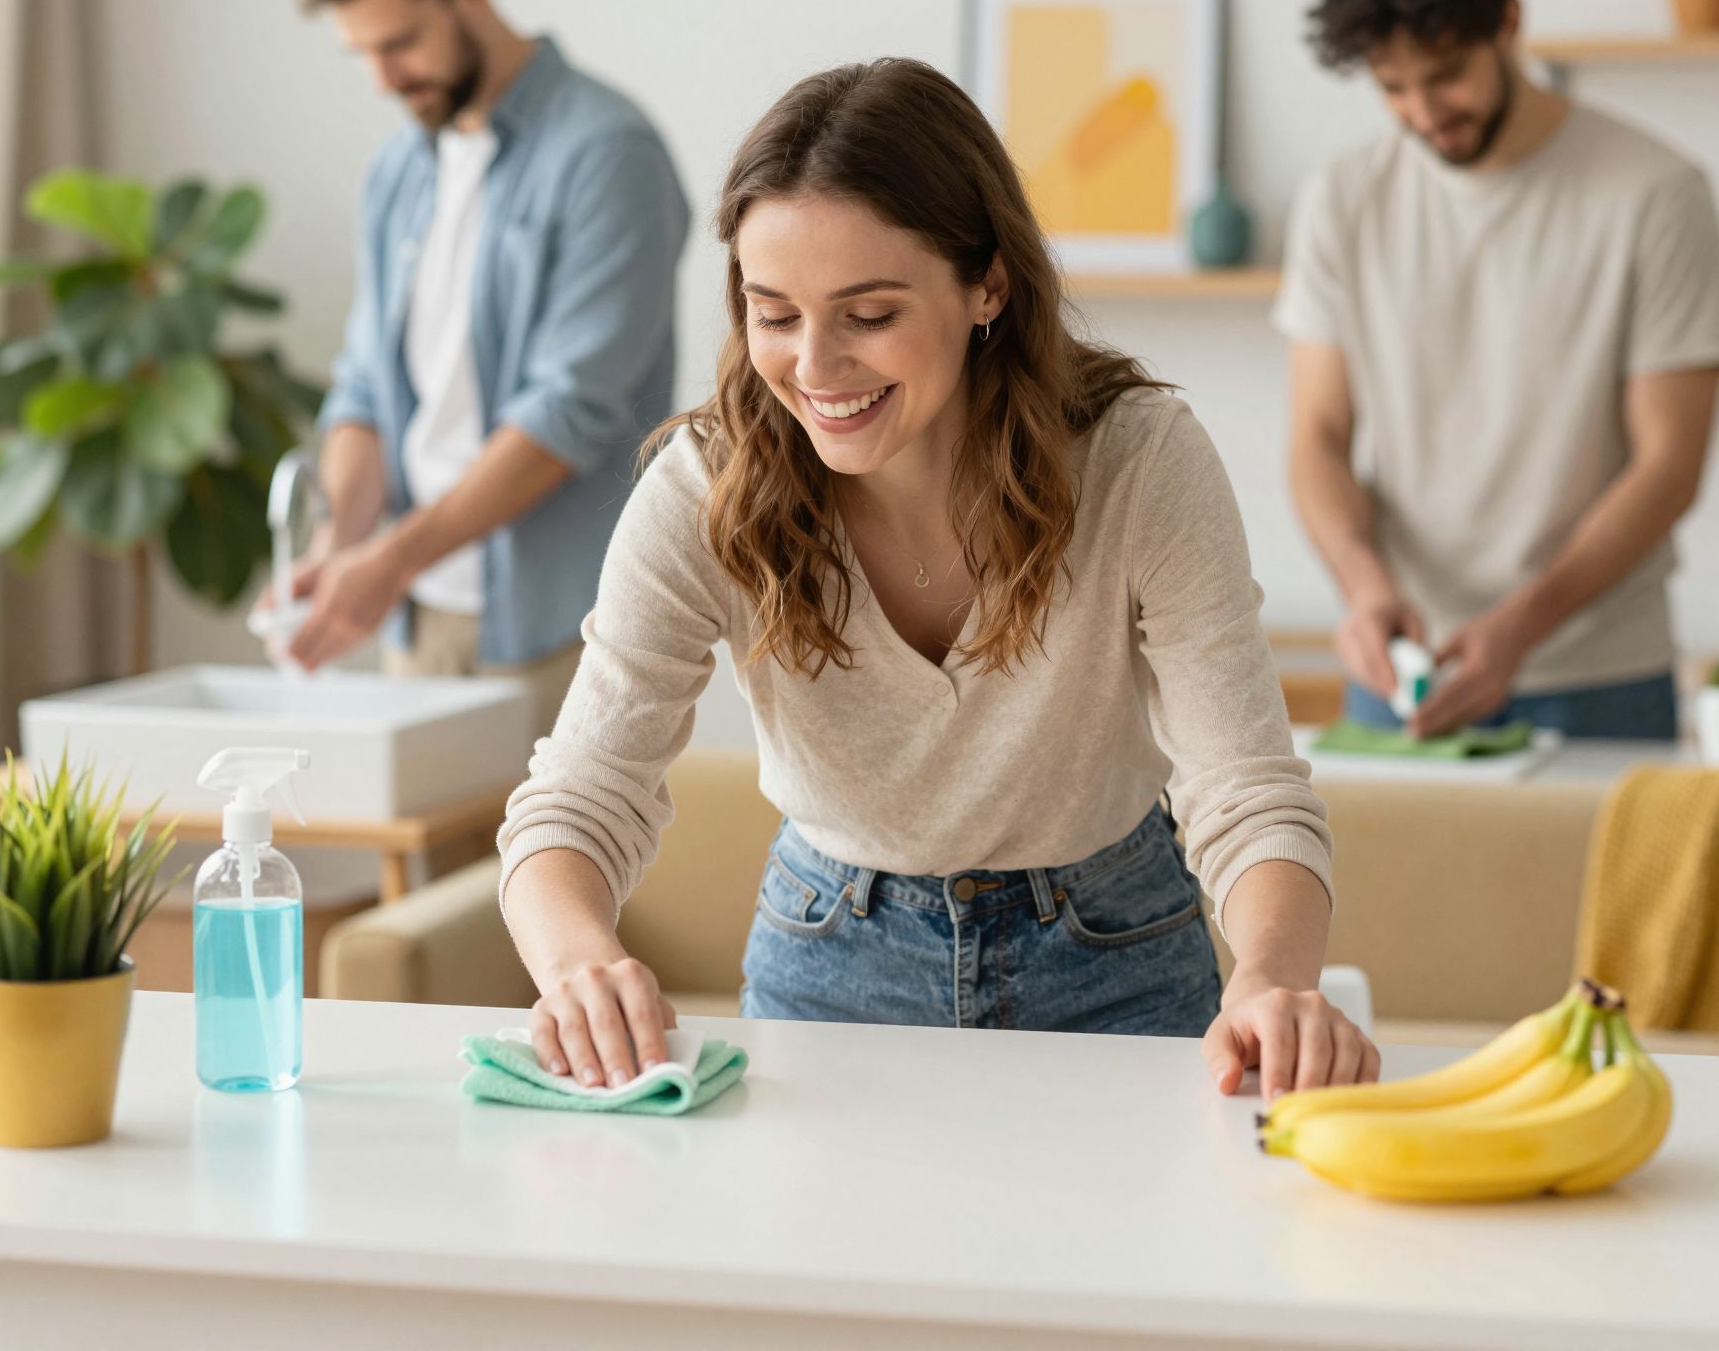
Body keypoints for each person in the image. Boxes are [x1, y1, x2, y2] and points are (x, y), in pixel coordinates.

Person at [496, 58, 1375, 1099]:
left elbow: (1243, 790)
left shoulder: (1137, 460)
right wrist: (575, 963)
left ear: (985, 285)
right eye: (773, 313)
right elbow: (581, 795)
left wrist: (1270, 980)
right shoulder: (704, 488)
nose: (814, 367)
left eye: (867, 315)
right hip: (826, 966)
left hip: (1120, 955)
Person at [1279, 0, 1719, 741]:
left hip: (1598, 674)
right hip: (1403, 668)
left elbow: (1671, 463)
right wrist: (1364, 585)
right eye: (1392, 86)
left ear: (1511, 24)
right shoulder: (1341, 201)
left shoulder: (1655, 194)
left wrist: (1520, 628)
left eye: (1445, 73)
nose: (1422, 110)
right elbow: (1318, 435)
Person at [279, 0, 688, 737]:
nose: (386, 78)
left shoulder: (608, 156)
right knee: (433, 877)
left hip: (564, 626)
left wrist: (387, 560)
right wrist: (338, 549)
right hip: (419, 617)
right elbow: (366, 391)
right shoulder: (399, 171)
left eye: (401, 42)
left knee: (564, 872)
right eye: (362, 53)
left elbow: (565, 416)